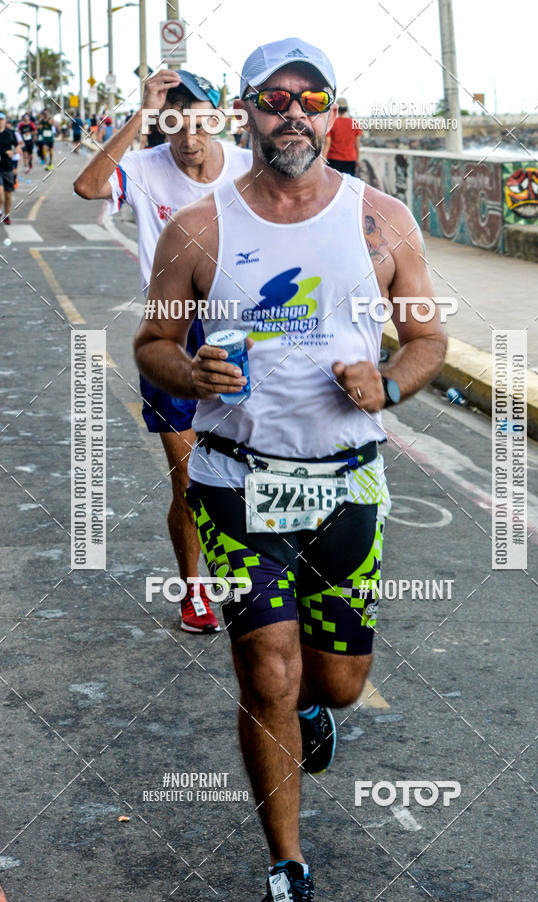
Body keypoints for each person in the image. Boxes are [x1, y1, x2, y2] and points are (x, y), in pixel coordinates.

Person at [134, 37, 447, 901]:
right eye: (275, 100)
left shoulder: (381, 220)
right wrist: (189, 371)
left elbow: (428, 338)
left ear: (331, 111)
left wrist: (385, 382)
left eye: (311, 100)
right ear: (247, 113)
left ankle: (317, 709)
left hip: (348, 483)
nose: (293, 115)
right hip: (235, 482)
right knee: (265, 670)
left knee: (336, 683)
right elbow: (152, 343)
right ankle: (286, 863)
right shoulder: (197, 228)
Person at [74, 69, 252, 634]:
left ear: (217, 117)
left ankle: (265, 580)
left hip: (241, 332)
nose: (189, 138)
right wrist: (140, 115)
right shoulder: (146, 167)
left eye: (198, 121)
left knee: (258, 467)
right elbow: (87, 187)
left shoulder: (250, 169)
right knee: (190, 480)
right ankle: (194, 590)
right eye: (173, 124)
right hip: (172, 334)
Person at [324, 96, 361, 176]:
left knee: (333, 185)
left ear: (336, 109)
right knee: (348, 186)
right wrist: (357, 159)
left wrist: (323, 159)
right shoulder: (354, 123)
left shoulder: (331, 123)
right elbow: (357, 145)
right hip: (350, 160)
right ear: (346, 109)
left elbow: (327, 143)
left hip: (333, 160)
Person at [0, 113, 20, 224]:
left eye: (2, 119)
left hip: (8, 167)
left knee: (8, 194)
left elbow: (18, 146)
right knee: (0, 192)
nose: (0, 121)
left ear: (5, 121)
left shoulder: (10, 134)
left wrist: (13, 152)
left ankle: (6, 215)